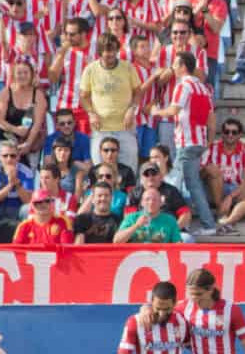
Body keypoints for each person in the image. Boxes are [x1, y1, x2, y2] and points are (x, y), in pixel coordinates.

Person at [151, 51, 216, 236]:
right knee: (193, 184)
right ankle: (207, 224)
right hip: (199, 142)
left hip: (186, 142)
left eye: (175, 64)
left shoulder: (183, 86)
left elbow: (173, 110)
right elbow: (211, 118)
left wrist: (156, 112)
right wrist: (208, 143)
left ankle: (175, 224)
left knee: (175, 184)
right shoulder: (204, 88)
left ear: (183, 66)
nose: (172, 68)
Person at [80, 32, 143, 172]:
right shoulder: (90, 70)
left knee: (129, 171)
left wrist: (132, 109)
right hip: (101, 129)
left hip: (125, 129)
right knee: (100, 172)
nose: (109, 54)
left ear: (117, 50)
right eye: (105, 51)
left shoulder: (128, 67)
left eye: (112, 50)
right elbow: (83, 96)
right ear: (99, 51)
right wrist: (91, 113)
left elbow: (138, 91)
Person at [202, 119, 245, 231]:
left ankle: (228, 222)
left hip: (234, 189)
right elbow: (200, 175)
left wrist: (230, 197)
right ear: (222, 133)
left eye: (234, 132)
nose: (230, 135)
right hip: (212, 189)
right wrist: (208, 170)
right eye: (226, 131)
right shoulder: (211, 148)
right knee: (214, 171)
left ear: (240, 134)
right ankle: (221, 211)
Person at [115, 187, 183, 244]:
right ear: (142, 202)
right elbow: (117, 241)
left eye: (155, 200)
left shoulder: (170, 220)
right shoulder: (131, 218)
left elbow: (178, 244)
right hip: (136, 257)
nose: (151, 202)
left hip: (161, 258)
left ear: (161, 203)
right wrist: (136, 225)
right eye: (147, 199)